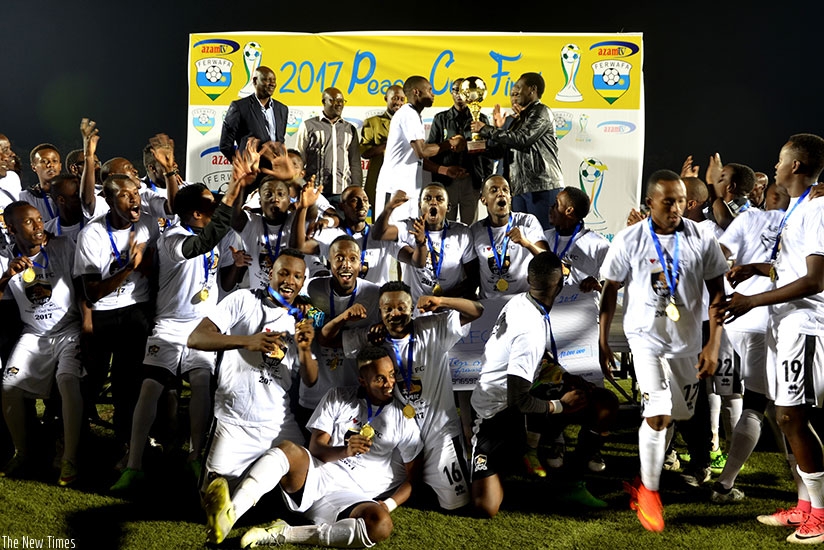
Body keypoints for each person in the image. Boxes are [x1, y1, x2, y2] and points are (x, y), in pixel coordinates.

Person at [110, 150, 257, 492]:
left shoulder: (220, 237)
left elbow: (223, 284)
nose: (217, 207)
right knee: (150, 387)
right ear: (195, 213)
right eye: (210, 205)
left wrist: (235, 266)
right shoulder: (174, 239)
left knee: (202, 383)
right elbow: (203, 242)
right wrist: (234, 185)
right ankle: (134, 465)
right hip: (171, 325)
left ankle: (194, 456)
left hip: (203, 325)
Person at [599, 169, 728, 533]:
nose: (676, 208)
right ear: (650, 202)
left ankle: (645, 477)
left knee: (678, 414)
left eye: (682, 202)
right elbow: (610, 288)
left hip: (685, 342)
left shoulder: (702, 238)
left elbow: (718, 293)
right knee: (657, 412)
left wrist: (712, 343)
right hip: (644, 338)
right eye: (668, 201)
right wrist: (603, 339)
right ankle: (650, 494)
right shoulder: (630, 239)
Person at [207, 346, 422, 548]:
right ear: (362, 381)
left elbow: (413, 478)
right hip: (318, 475)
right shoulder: (338, 396)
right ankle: (230, 514)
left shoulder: (403, 417)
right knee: (289, 450)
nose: (389, 383)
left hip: (354, 496)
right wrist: (345, 451)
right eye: (380, 378)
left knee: (381, 525)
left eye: (392, 375)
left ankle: (283, 533)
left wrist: (389, 504)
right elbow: (317, 448)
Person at [718, 134, 824, 543]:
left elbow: (814, 280)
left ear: (796, 166)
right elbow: (791, 267)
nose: (775, 166)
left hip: (805, 324)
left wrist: (752, 300)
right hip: (785, 324)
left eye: (781, 159)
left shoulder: (816, 208)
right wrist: (757, 268)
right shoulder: (800, 207)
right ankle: (804, 509)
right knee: (788, 418)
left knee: (792, 417)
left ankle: (819, 513)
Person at [471, 251, 618, 517]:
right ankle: (519, 448)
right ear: (559, 285)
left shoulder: (521, 301)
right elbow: (519, 400)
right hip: (496, 413)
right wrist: (561, 406)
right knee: (487, 507)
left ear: (529, 280)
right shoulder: (530, 330)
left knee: (602, 403)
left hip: (519, 395)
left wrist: (566, 375)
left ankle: (570, 481)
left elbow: (534, 360)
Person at [187, 249, 317, 544]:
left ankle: (249, 506)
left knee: (305, 496)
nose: (289, 281)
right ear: (270, 272)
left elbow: (311, 379)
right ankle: (241, 498)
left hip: (277, 423)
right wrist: (247, 341)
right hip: (234, 421)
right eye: (283, 272)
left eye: (297, 276)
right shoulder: (243, 299)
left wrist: (307, 349)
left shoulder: (301, 320)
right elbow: (196, 337)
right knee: (206, 501)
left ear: (304, 281)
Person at [322, 281, 483, 511]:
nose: (394, 313)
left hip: (440, 431)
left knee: (455, 504)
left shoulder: (433, 327)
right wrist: (344, 318)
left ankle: (434, 481)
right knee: (388, 483)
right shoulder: (372, 337)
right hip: (401, 435)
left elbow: (477, 310)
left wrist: (441, 301)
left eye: (401, 307)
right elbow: (327, 339)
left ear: (411, 309)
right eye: (388, 309)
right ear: (380, 311)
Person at [709, 182, 789, 503]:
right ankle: (725, 483)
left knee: (728, 397)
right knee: (760, 405)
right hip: (768, 322)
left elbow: (719, 256)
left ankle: (708, 459)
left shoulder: (747, 219)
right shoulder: (804, 221)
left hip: (732, 318)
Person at [0, 202, 85, 486]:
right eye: (29, 222)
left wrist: (87, 325)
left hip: (69, 329)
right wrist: (7, 276)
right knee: (8, 387)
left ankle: (69, 457)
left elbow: (83, 286)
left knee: (67, 381)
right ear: (11, 228)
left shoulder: (62, 246)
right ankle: (22, 452)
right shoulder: (4, 258)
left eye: (39, 220)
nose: (39, 226)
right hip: (34, 333)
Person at [528, 186, 610, 474]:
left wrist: (597, 284)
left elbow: (616, 283)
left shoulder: (598, 244)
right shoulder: (544, 240)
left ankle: (591, 448)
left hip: (582, 333)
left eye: (557, 204)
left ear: (570, 211)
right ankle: (555, 439)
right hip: (549, 332)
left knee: (591, 391)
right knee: (553, 388)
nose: (550, 208)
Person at [73, 172, 155, 450]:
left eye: (136, 192)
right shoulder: (92, 235)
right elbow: (92, 291)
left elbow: (155, 269)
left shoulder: (148, 224)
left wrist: (145, 264)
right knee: (93, 379)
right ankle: (76, 437)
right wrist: (130, 267)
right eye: (124, 194)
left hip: (136, 310)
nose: (134, 199)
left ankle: (125, 442)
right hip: (103, 313)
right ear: (108, 199)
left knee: (128, 381)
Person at [297, 235, 381, 436]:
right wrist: (300, 303)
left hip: (352, 394)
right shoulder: (313, 289)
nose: (346, 264)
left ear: (361, 264)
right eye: (340, 258)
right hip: (315, 394)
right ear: (329, 262)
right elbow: (313, 328)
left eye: (353, 259)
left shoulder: (374, 294)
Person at [470, 72, 563, 230]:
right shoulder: (516, 120)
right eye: (512, 92)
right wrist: (479, 146)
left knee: (544, 236)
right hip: (517, 187)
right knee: (522, 240)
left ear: (532, 89)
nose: (514, 94)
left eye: (518, 88)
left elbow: (523, 139)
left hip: (542, 185)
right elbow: (500, 152)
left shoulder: (542, 111)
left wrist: (486, 129)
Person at [373, 75, 465, 223]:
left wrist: (445, 170)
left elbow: (417, 159)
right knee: (387, 238)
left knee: (406, 237)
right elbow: (421, 151)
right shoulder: (408, 114)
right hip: (394, 189)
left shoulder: (413, 115)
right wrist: (450, 144)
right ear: (416, 92)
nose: (433, 94)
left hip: (408, 191)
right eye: (429, 90)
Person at [372, 184, 476, 302]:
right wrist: (389, 207)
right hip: (417, 309)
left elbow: (472, 278)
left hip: (449, 307)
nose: (433, 202)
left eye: (439, 199)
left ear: (448, 207)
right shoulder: (409, 226)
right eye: (427, 198)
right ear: (420, 205)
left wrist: (443, 301)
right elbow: (378, 234)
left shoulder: (461, 232)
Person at [294, 184, 398, 286]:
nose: (362, 204)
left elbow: (410, 257)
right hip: (343, 301)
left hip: (375, 299)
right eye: (355, 200)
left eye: (365, 200)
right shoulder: (332, 235)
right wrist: (303, 208)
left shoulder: (380, 234)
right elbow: (300, 246)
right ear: (342, 206)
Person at [231, 139, 299, 291]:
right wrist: (240, 183)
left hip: (293, 301)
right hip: (260, 300)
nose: (274, 198)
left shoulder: (296, 221)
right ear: (260, 202)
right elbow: (234, 216)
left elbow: (311, 207)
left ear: (289, 200)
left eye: (281, 194)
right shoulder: (251, 224)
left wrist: (293, 179)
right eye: (268, 194)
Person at [468, 175, 548, 298]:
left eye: (505, 190)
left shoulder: (527, 221)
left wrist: (526, 243)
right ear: (484, 200)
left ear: (510, 198)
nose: (501, 193)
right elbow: (472, 273)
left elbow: (548, 259)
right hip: (489, 304)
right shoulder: (475, 230)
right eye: (494, 190)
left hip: (522, 302)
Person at [426, 78, 494, 224]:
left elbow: (487, 153)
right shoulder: (441, 119)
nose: (459, 94)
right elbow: (431, 150)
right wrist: (439, 176)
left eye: (463, 91)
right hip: (446, 181)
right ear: (451, 93)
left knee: (471, 226)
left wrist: (486, 182)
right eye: (455, 90)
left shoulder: (480, 118)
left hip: (471, 180)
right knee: (445, 224)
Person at [295, 87, 362, 205]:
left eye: (341, 101)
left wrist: (356, 189)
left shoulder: (350, 129)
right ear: (323, 102)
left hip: (342, 192)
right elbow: (298, 160)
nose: (339, 104)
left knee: (340, 223)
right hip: (315, 191)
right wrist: (298, 186)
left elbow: (355, 163)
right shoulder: (309, 126)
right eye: (334, 100)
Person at [220, 66, 288, 162]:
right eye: (267, 80)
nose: (272, 84)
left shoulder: (282, 109)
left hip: (275, 171)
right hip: (251, 172)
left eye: (274, 80)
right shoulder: (239, 107)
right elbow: (225, 145)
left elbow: (280, 141)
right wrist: (241, 165)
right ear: (255, 81)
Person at [360, 85, 406, 209]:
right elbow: (364, 153)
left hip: (403, 182)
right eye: (395, 98)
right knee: (380, 222)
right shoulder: (373, 122)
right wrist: (387, 145)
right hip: (379, 181)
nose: (399, 103)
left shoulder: (410, 123)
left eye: (402, 99)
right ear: (386, 98)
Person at [21, 143, 60, 223]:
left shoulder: (72, 194)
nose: (50, 165)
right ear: (34, 167)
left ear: (60, 166)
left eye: (55, 161)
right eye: (44, 161)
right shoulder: (25, 198)